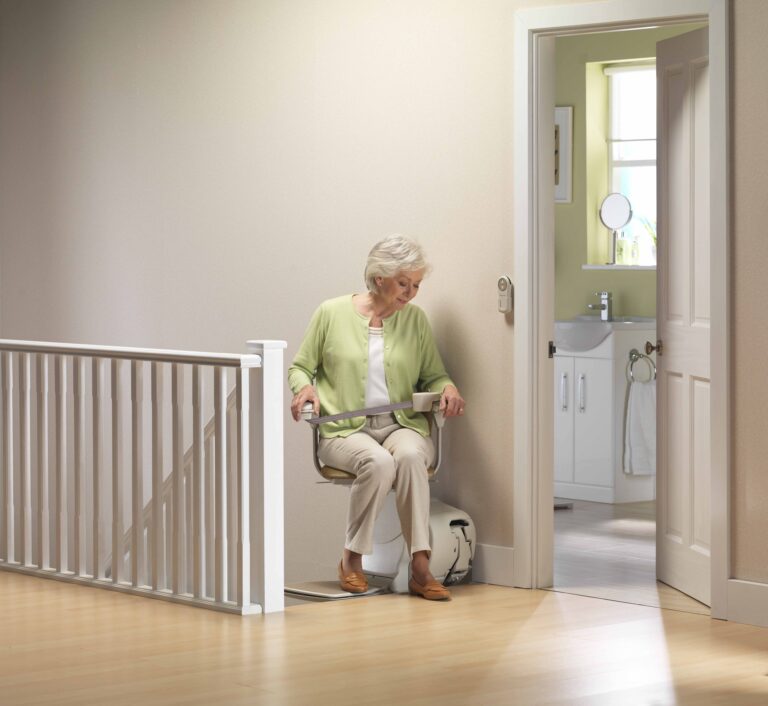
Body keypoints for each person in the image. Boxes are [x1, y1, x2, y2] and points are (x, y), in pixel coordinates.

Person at [288, 234, 465, 601]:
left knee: (413, 455)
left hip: (401, 424)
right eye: (404, 283)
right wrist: (303, 388)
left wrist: (448, 388)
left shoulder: (415, 320)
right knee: (379, 462)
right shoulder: (330, 313)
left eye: (416, 285)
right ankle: (351, 558)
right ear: (379, 277)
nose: (411, 293)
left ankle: (420, 565)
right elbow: (301, 367)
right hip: (343, 430)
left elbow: (435, 374)